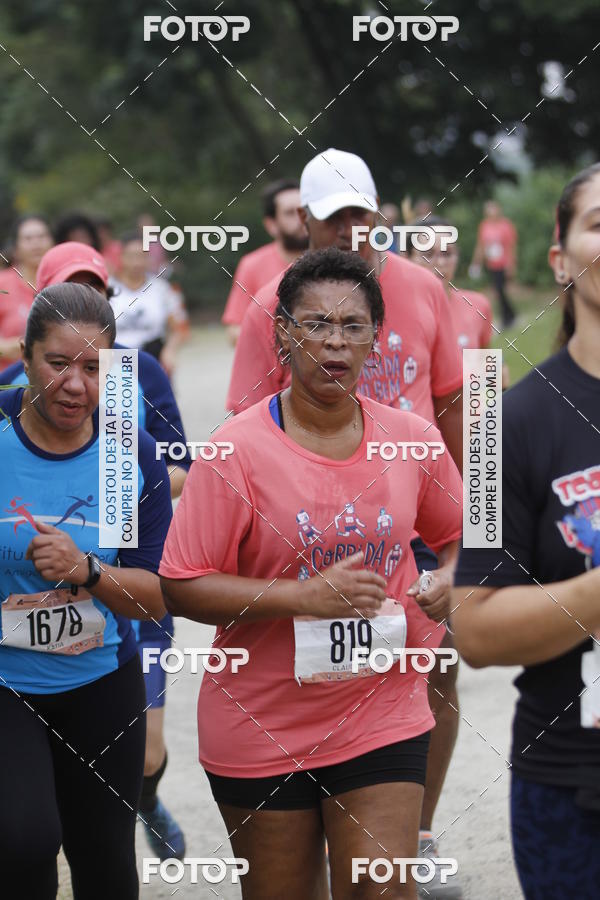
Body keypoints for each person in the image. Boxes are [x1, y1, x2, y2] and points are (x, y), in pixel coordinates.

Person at [160, 248, 463, 900]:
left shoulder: (411, 439)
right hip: (262, 721)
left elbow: (461, 535)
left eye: (354, 326)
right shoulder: (234, 452)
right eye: (315, 324)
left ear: (375, 342)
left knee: (378, 890)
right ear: (282, 334)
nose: (334, 340)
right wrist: (302, 597)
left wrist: (447, 582)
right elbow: (180, 584)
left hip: (382, 706)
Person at [226, 149, 465, 898]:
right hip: (314, 527)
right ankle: (325, 805)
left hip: (414, 507)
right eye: (336, 218)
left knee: (437, 665)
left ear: (380, 211)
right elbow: (240, 430)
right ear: (306, 222)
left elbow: (460, 403)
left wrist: (474, 528)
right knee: (325, 661)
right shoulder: (271, 302)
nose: (353, 229)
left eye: (363, 214)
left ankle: (411, 827)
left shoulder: (424, 289)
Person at [0, 241, 190, 857]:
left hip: (102, 679)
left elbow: (152, 596)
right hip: (7, 680)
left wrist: (88, 570)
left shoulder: (124, 453)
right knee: (26, 842)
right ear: (23, 359)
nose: (75, 385)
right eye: (57, 363)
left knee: (106, 863)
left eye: (93, 368)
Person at [452, 163, 600, 899]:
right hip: (570, 787)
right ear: (560, 258)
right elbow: (474, 632)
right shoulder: (502, 427)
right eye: (598, 224)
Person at [221, 178, 309, 345]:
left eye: (304, 211)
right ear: (271, 225)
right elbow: (234, 331)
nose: (300, 220)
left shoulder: (332, 260)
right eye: (290, 213)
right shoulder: (252, 265)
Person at [110, 231, 188, 377]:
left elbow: (179, 328)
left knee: (156, 400)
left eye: (141, 256)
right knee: (124, 399)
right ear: (121, 257)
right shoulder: (106, 289)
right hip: (117, 361)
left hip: (153, 358)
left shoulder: (162, 289)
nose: (136, 263)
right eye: (131, 256)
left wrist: (169, 351)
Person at [0, 214, 53, 366]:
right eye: (28, 239)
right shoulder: (2, 282)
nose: (36, 244)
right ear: (16, 248)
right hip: (10, 379)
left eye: (41, 236)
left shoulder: (66, 282)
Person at [469, 201, 517, 329]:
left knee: (501, 290)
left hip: (503, 263)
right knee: (497, 291)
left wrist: (510, 264)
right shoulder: (484, 226)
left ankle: (508, 318)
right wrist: (476, 263)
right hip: (492, 264)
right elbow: (481, 245)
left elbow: (511, 246)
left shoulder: (505, 225)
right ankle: (510, 316)